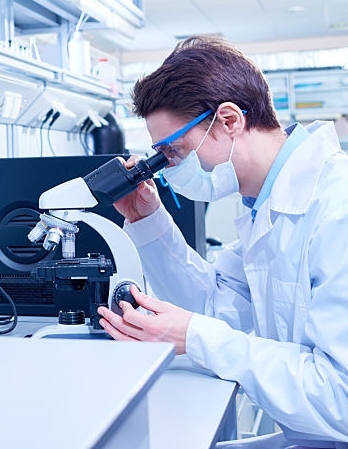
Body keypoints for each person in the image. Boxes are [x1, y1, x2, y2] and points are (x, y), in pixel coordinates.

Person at [95, 36, 348, 447]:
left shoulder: (337, 209)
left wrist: (196, 337)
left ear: (229, 120)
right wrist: (148, 221)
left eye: (174, 152)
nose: (169, 168)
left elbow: (340, 399)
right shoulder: (262, 207)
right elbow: (215, 310)